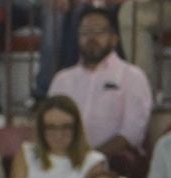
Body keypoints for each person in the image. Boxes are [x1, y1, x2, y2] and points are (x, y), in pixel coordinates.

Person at [45, 8, 148, 167]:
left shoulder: (132, 76)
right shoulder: (62, 79)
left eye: (99, 31)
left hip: (113, 162)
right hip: (66, 161)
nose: (91, 37)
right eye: (85, 32)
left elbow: (131, 133)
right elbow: (49, 124)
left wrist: (91, 159)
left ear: (114, 38)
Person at [9, 95, 106, 178]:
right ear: (41, 129)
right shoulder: (26, 153)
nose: (58, 134)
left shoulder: (93, 161)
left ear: (77, 128)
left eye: (66, 127)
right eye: (51, 127)